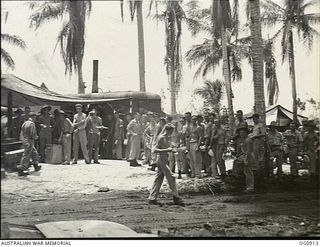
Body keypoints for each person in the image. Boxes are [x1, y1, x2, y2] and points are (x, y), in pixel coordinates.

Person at [148, 123, 185, 206]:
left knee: (158, 179)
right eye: (171, 130)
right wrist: (167, 150)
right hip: (161, 159)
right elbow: (155, 150)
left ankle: (152, 197)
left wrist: (175, 149)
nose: (172, 132)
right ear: (167, 130)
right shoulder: (161, 138)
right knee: (171, 178)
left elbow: (170, 148)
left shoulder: (168, 138)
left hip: (165, 159)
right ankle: (176, 197)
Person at [17, 112, 41, 176]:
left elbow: (21, 133)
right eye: (35, 117)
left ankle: (36, 166)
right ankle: (21, 170)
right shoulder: (32, 124)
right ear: (33, 117)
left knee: (34, 153)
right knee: (26, 155)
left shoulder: (24, 123)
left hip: (25, 140)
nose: (35, 118)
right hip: (29, 140)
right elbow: (33, 133)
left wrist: (22, 140)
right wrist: (36, 137)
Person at [235, 126, 255, 192]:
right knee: (245, 171)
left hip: (249, 156)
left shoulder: (248, 140)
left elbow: (248, 150)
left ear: (246, 133)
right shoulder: (243, 140)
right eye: (240, 133)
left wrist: (246, 159)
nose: (241, 134)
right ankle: (247, 186)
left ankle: (250, 187)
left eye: (243, 133)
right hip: (244, 155)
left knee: (248, 172)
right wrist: (239, 155)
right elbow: (243, 150)